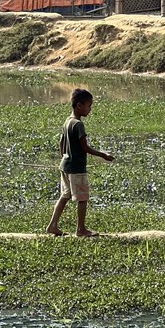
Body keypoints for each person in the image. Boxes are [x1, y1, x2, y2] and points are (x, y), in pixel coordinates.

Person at [46, 88, 115, 238]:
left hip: (65, 166)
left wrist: (64, 157)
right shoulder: (78, 125)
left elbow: (61, 142)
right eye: (89, 105)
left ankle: (53, 225)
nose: (90, 109)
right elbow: (85, 147)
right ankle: (81, 229)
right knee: (82, 198)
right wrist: (103, 155)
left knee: (65, 196)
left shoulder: (67, 121)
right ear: (79, 105)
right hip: (77, 168)